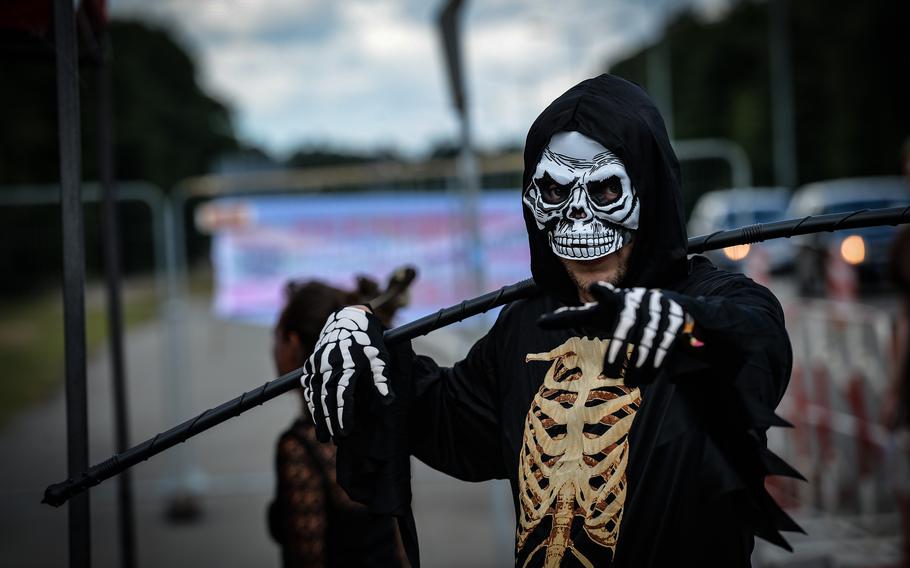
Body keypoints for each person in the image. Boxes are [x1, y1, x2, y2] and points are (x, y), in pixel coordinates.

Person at [301, 74, 802, 567]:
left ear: (649, 194)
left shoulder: (719, 300)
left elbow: (752, 347)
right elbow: (449, 422)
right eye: (556, 193)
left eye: (606, 192)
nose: (579, 220)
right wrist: (366, 339)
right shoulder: (528, 324)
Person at [268, 272, 413, 567]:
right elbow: (398, 540)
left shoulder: (301, 449)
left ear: (293, 344)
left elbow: (307, 559)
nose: (273, 348)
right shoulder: (375, 424)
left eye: (277, 337)